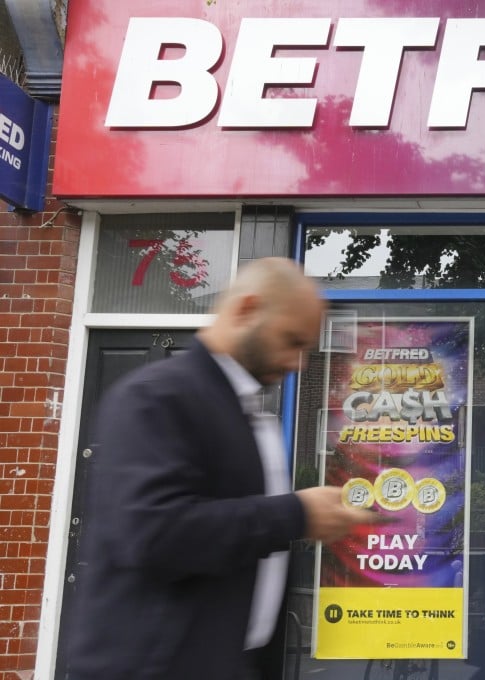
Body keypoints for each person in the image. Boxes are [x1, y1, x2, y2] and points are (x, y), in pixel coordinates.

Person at [67, 257, 376, 680]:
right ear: (247, 310)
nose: (298, 362)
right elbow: (152, 534)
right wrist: (297, 514)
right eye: (292, 341)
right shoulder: (155, 397)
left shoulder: (242, 411)